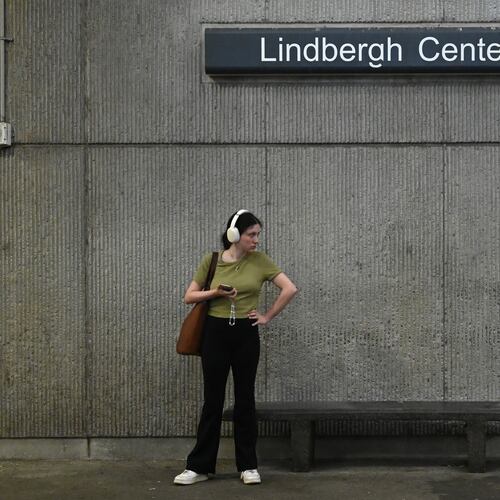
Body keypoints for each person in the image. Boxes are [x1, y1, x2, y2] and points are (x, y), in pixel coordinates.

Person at [174, 209, 298, 486]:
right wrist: (216, 293)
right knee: (213, 401)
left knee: (245, 400)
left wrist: (266, 316)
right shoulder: (212, 261)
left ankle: (248, 465)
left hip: (245, 333)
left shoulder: (261, 261)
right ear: (234, 234)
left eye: (257, 235)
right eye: (251, 234)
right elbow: (189, 296)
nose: (256, 240)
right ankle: (199, 466)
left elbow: (290, 288)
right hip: (214, 334)